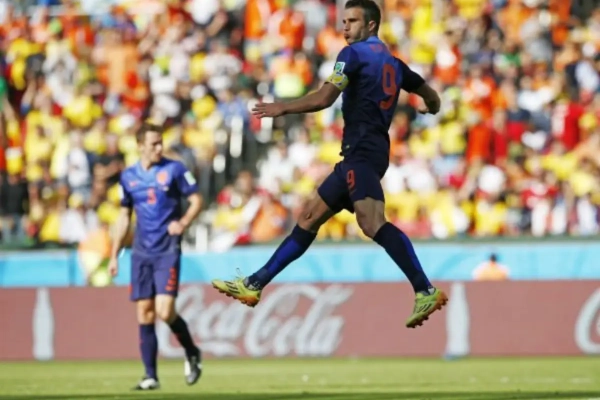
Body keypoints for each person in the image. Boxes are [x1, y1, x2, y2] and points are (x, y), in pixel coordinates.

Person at [212, 0, 447, 329]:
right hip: (366, 154)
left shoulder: (352, 55)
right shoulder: (395, 64)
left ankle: (425, 290)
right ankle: (254, 284)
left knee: (372, 223)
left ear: (371, 25)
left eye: (352, 21)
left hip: (362, 152)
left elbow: (325, 98)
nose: (345, 27)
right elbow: (430, 94)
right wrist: (430, 108)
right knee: (309, 217)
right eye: (344, 21)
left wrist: (283, 107)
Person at [108, 123, 203, 390]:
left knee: (164, 310)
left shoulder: (175, 170)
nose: (160, 148)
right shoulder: (128, 177)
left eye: (161, 142)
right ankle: (150, 376)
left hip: (167, 250)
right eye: (154, 144)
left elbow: (196, 200)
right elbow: (124, 216)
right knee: (145, 312)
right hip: (141, 252)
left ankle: (192, 351)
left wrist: (183, 222)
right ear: (140, 146)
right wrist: (114, 254)